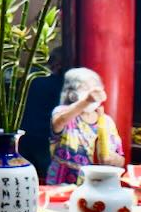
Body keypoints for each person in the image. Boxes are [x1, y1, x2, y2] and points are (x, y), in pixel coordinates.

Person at [46, 67, 125, 185]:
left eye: (95, 87)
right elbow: (60, 122)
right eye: (85, 88)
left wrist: (114, 160)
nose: (92, 93)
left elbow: (121, 159)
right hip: (62, 185)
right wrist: (87, 101)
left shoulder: (107, 121)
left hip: (95, 186)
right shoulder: (62, 112)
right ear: (72, 94)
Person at [19, 48, 65, 179]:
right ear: (58, 65)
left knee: (24, 176)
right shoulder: (57, 83)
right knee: (48, 175)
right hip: (43, 136)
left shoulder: (30, 77)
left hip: (23, 132)